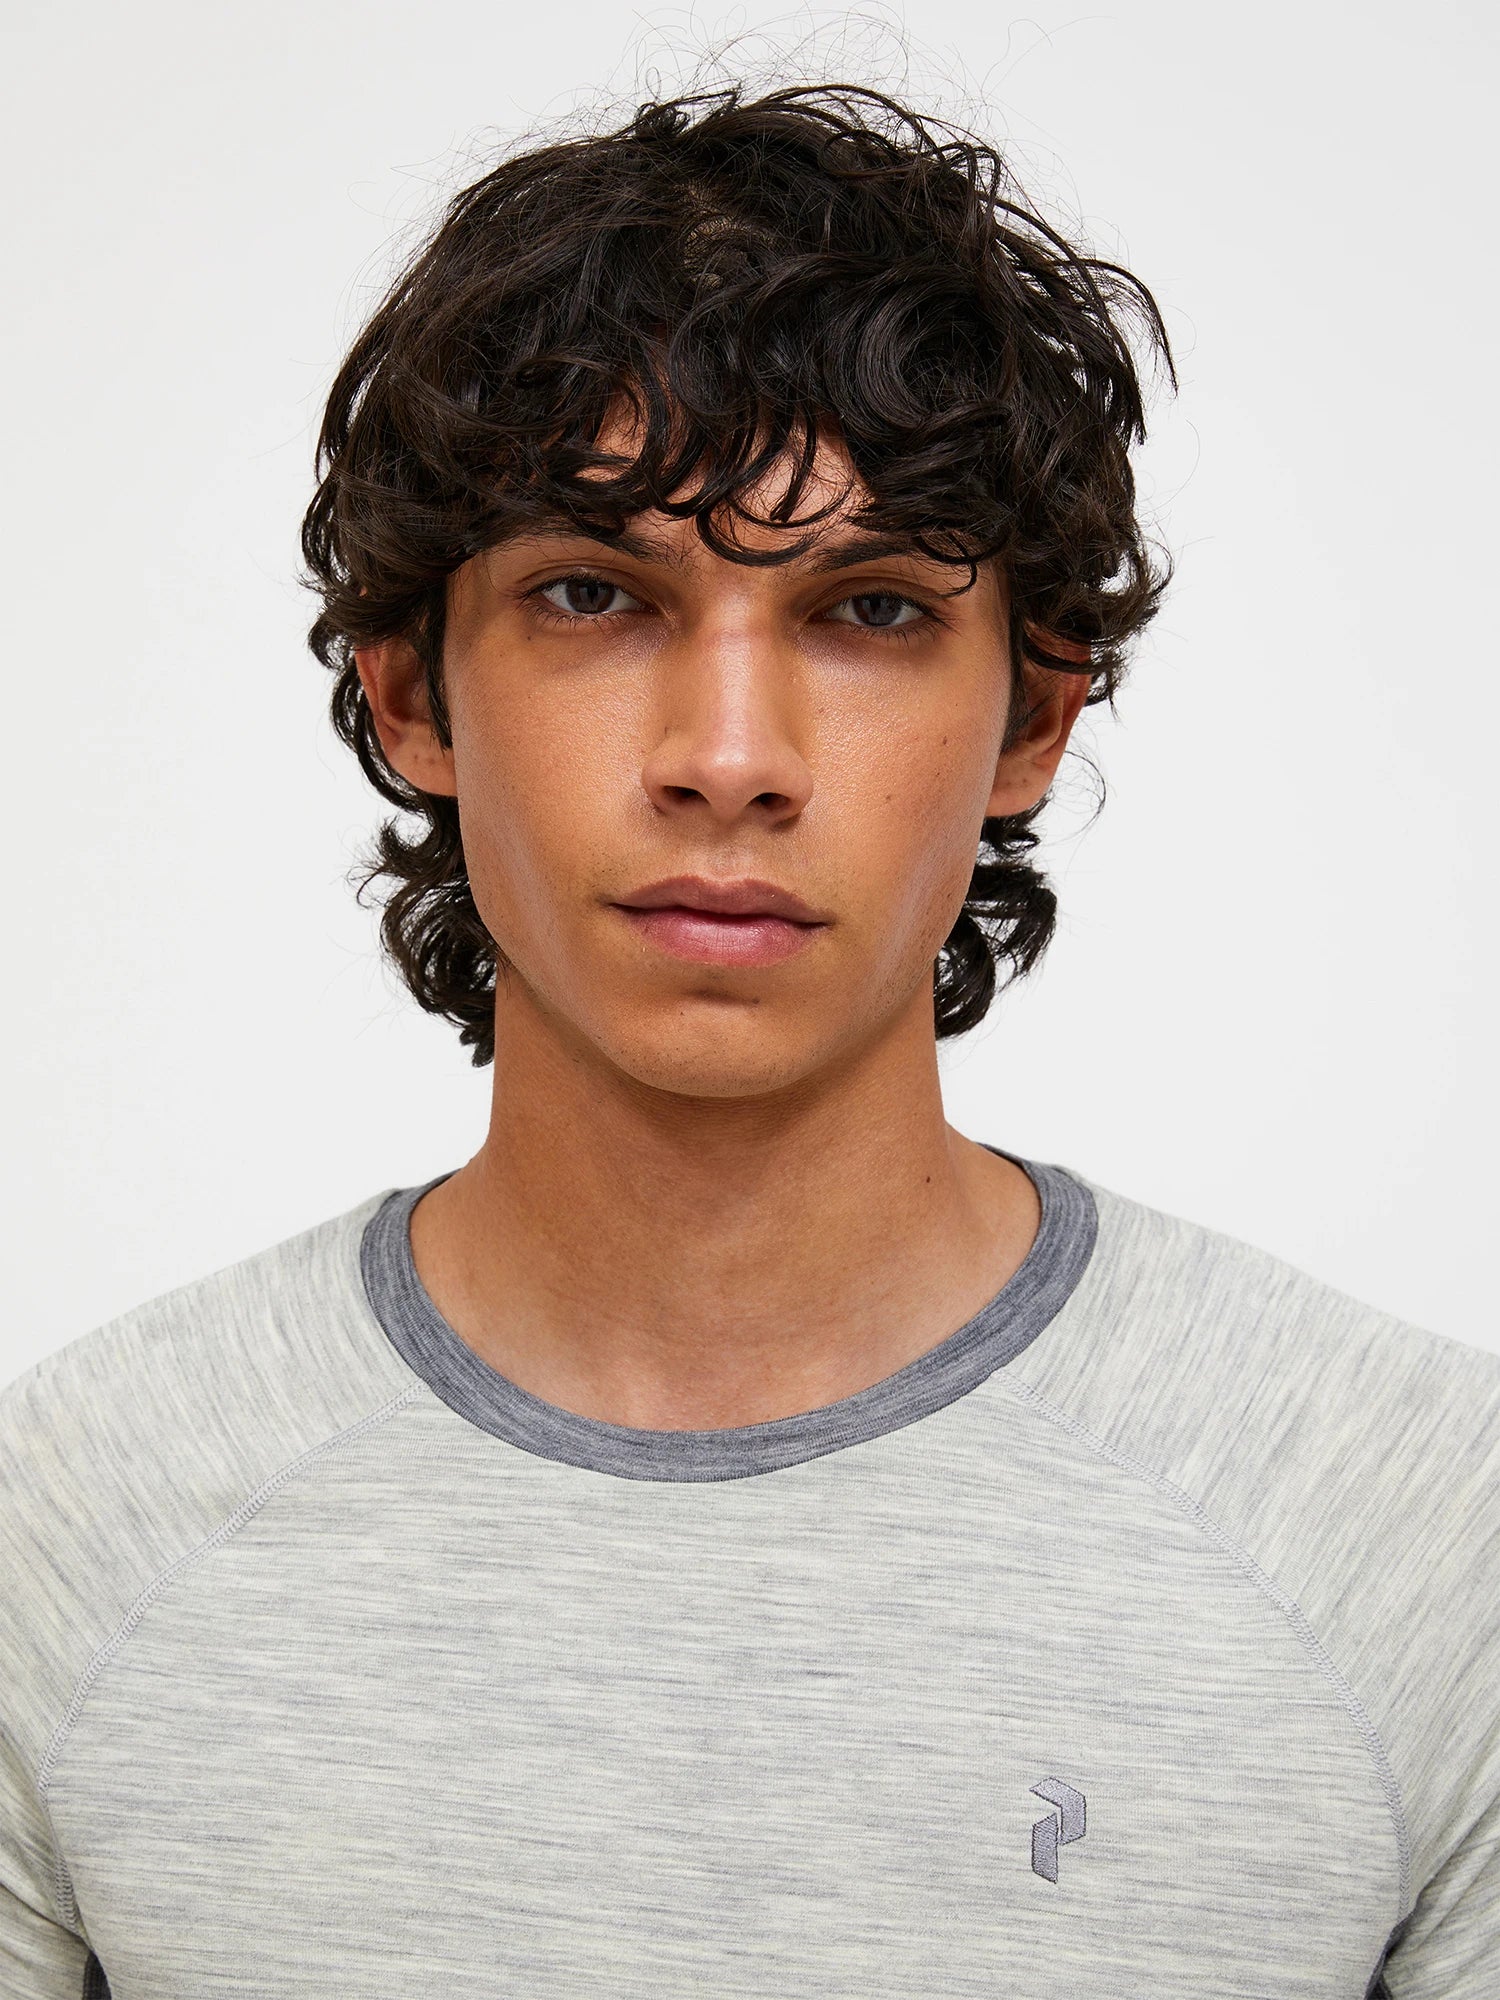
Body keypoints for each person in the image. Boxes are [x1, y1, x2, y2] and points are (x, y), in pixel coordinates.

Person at [1, 81, 1494, 2000]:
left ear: (1036, 717)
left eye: (868, 608)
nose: (730, 758)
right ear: (410, 696)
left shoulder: (1430, 1532)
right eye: (594, 595)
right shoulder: (65, 1533)